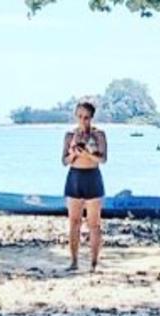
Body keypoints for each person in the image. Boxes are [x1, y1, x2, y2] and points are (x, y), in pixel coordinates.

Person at [62, 101, 107, 271]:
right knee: (74, 222)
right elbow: (64, 161)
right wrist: (73, 154)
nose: (83, 121)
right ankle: (74, 262)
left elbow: (103, 159)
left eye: (86, 117)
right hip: (75, 177)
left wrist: (88, 153)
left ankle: (94, 263)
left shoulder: (99, 135)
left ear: (91, 118)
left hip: (92, 178)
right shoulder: (69, 135)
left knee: (94, 224)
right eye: (80, 117)